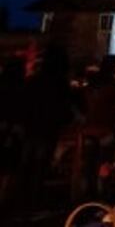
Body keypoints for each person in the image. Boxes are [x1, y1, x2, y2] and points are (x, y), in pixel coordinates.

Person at [22, 44, 75, 205]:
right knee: (40, 164)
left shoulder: (35, 80)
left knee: (27, 163)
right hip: (48, 128)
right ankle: (33, 200)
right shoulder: (61, 83)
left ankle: (21, 199)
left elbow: (26, 103)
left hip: (31, 126)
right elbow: (66, 109)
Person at [81, 55, 115, 197]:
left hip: (90, 128)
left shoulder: (91, 84)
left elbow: (83, 105)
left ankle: (88, 193)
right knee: (105, 161)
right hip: (107, 128)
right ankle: (103, 194)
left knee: (90, 161)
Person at [0, 58, 27, 208]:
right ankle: (3, 197)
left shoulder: (3, 87)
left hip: (6, 131)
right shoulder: (24, 89)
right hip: (14, 133)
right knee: (9, 167)